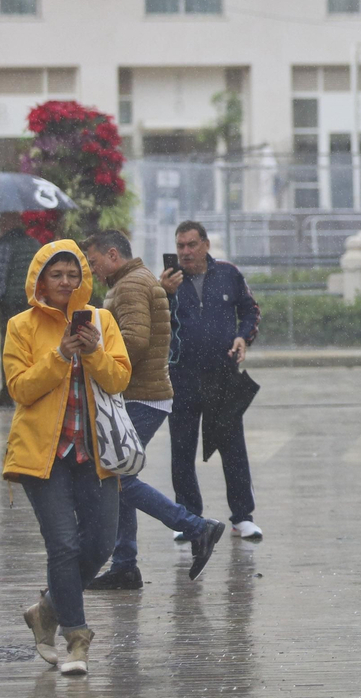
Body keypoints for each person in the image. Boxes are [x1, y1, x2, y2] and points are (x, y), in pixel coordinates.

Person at [6, 240, 132, 676]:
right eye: (55, 275)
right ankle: (77, 638)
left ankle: (45, 611)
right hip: (45, 457)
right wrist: (60, 354)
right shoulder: (21, 326)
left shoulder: (102, 320)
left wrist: (93, 350)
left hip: (96, 454)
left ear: (83, 279)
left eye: (72, 274)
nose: (64, 282)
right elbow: (20, 388)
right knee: (62, 545)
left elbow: (119, 379)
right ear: (40, 280)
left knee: (99, 545)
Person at [82, 231, 226, 590]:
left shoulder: (130, 285)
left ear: (112, 254)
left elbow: (133, 341)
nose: (93, 270)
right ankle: (125, 565)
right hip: (141, 394)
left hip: (141, 395)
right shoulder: (133, 280)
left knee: (117, 477)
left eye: (94, 262)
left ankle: (197, 527)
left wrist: (92, 355)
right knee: (116, 475)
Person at [159, 221, 264, 542]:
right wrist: (163, 294)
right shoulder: (167, 282)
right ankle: (188, 518)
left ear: (205, 245)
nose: (186, 253)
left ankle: (242, 517)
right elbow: (152, 320)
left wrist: (243, 338)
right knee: (181, 449)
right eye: (180, 246)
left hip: (223, 375)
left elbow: (251, 311)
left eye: (191, 245)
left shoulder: (229, 274)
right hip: (182, 376)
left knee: (232, 447)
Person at [0, 211, 41, 407]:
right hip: (31, 303)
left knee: (9, 349)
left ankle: (8, 391)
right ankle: (32, 388)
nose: (0, 224)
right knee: (32, 348)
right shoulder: (33, 243)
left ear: (10, 222)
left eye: (3, 220)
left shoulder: (5, 244)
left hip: (10, 305)